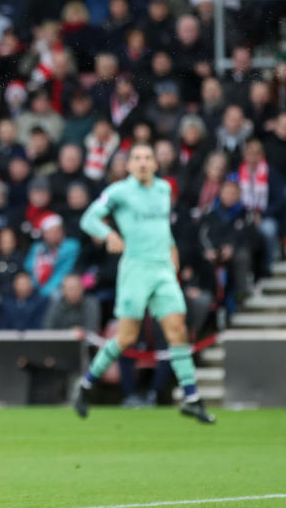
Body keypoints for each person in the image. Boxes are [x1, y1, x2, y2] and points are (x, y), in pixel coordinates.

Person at [74, 143, 214, 423]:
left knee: (177, 331)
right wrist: (109, 235)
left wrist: (172, 251)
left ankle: (192, 398)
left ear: (154, 164)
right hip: (136, 268)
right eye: (136, 158)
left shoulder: (163, 190)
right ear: (128, 166)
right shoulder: (119, 192)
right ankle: (86, 385)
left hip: (162, 268)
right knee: (126, 337)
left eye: (147, 158)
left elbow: (163, 228)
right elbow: (88, 219)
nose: (141, 162)